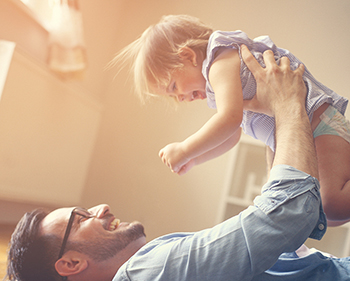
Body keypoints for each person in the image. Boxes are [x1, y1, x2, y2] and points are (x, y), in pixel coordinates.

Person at [7, 47, 349, 281]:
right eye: (80, 218)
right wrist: (289, 104)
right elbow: (288, 218)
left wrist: (276, 133)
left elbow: (273, 235)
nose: (101, 207)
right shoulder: (151, 276)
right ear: (71, 264)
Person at [110, 14, 350, 226]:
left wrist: (184, 148)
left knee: (332, 204)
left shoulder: (220, 61)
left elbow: (229, 120)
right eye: (173, 97)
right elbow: (231, 136)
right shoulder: (220, 83)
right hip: (310, 133)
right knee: (324, 216)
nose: (181, 98)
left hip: (320, 124)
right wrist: (196, 158)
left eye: (174, 86)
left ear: (187, 56)